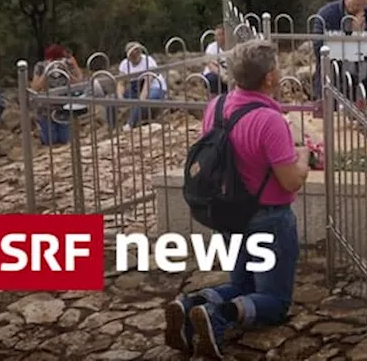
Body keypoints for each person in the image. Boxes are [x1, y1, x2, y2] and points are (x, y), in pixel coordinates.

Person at [164, 39, 310, 359]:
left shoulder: (215, 108)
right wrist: (304, 158)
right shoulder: (269, 121)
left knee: (242, 284)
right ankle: (220, 316)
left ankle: (189, 305)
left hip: (228, 215)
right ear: (269, 78)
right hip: (268, 219)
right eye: (277, 68)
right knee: (275, 301)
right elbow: (290, 180)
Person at [114, 42, 167, 130]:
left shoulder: (148, 61)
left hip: (154, 87)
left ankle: (130, 124)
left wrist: (141, 99)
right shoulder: (124, 64)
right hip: (136, 88)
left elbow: (148, 82)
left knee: (145, 101)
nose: (135, 55)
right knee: (111, 99)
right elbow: (121, 83)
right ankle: (112, 126)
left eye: (137, 52)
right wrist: (120, 97)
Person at [203, 26, 227, 96]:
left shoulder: (232, 45)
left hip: (228, 73)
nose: (216, 37)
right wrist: (222, 75)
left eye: (219, 35)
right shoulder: (212, 47)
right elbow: (211, 64)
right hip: (214, 72)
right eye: (215, 35)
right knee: (213, 80)